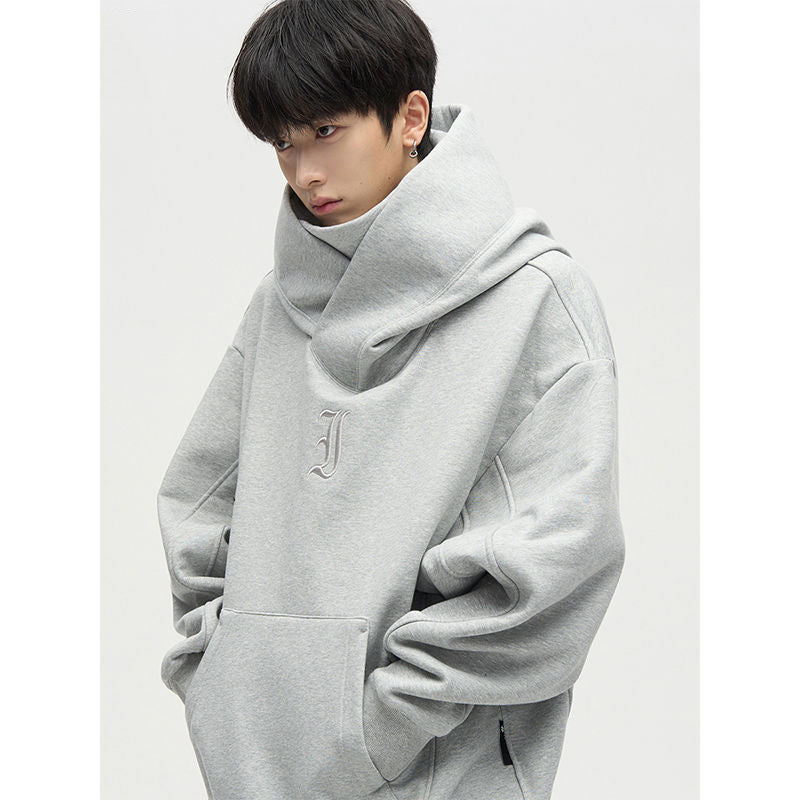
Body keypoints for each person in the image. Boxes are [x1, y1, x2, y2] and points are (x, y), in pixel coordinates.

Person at [156, 1, 626, 799]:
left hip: (447, 770)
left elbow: (560, 562)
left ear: (410, 118)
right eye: (282, 143)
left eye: (325, 131)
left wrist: (381, 726)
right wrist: (220, 686)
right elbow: (197, 507)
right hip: (258, 778)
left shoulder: (536, 300)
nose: (304, 171)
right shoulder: (277, 307)